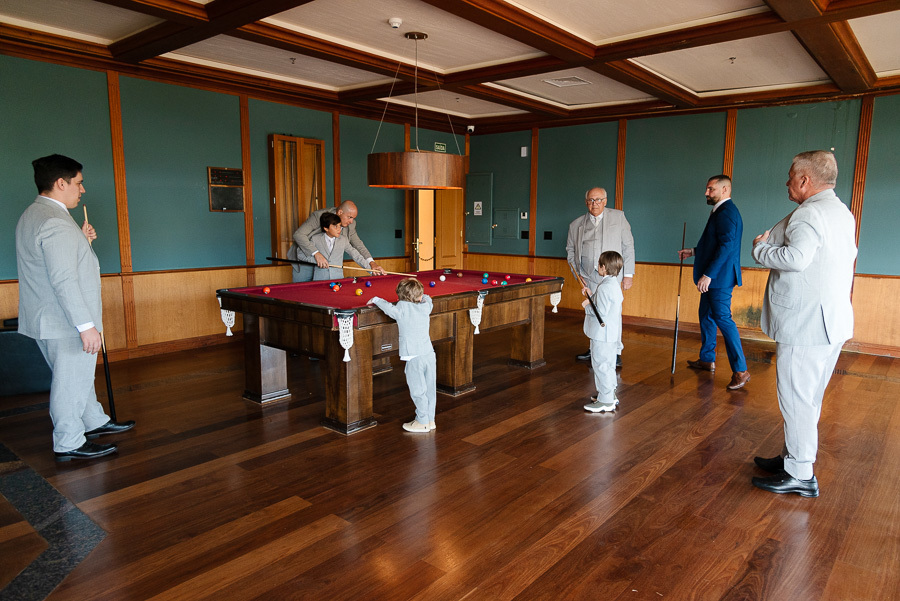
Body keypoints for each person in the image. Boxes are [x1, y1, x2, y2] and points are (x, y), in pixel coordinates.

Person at [750, 150, 856, 498]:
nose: (787, 181)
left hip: (805, 322)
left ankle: (799, 473)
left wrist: (760, 250)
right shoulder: (841, 212)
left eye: (791, 175)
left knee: (796, 398)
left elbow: (796, 259)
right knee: (808, 397)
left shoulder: (808, 214)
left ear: (805, 180)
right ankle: (792, 458)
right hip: (831, 322)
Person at [16, 154, 134, 462]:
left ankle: (93, 420)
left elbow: (50, 263)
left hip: (46, 317)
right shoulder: (56, 221)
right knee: (69, 382)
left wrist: (81, 241)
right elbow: (64, 280)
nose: (82, 190)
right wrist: (85, 325)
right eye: (79, 183)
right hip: (65, 320)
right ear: (60, 183)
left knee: (76, 377)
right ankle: (68, 441)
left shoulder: (34, 214)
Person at [678, 175, 750, 390]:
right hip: (714, 277)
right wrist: (694, 251)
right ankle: (707, 359)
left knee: (723, 320)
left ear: (725, 189)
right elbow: (715, 245)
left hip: (719, 279)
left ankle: (741, 370)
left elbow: (727, 247)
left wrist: (708, 275)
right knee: (706, 317)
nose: (706, 193)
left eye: (711, 189)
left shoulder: (727, 212)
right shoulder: (720, 210)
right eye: (707, 189)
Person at [566, 187, 634, 366]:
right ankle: (594, 347)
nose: (594, 204)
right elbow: (571, 252)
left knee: (613, 313)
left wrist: (628, 275)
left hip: (612, 276)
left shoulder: (618, 217)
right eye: (590, 200)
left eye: (598, 200)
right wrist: (578, 276)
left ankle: (616, 351)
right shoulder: (576, 224)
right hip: (588, 276)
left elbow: (628, 247)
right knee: (592, 313)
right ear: (586, 202)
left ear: (605, 201)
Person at [368, 278, 436, 433]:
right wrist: (424, 296)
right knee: (430, 388)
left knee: (418, 390)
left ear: (399, 296)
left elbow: (387, 308)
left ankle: (422, 421)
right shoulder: (425, 307)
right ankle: (430, 419)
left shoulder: (401, 309)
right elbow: (429, 300)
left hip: (414, 356)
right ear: (419, 297)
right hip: (429, 354)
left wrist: (376, 299)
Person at [288, 200, 386, 282]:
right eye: (350, 217)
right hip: (306, 257)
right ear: (340, 212)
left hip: (333, 274)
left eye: (353, 218)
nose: (351, 221)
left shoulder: (349, 227)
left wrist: (371, 264)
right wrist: (316, 254)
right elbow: (299, 235)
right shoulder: (319, 216)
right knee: (304, 294)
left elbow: (357, 245)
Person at [582, 251, 625, 413]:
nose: (597, 267)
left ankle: (606, 401)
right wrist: (591, 296)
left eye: (599, 265)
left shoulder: (606, 287)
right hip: (610, 334)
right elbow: (604, 305)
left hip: (603, 335)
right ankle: (608, 395)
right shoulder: (613, 284)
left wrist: (587, 304)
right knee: (608, 365)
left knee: (601, 365)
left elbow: (600, 312)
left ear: (604, 267)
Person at [294, 212, 371, 281]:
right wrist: (316, 260)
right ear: (326, 228)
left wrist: (371, 270)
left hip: (338, 279)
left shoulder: (343, 240)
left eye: (339, 226)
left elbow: (357, 256)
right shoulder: (315, 239)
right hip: (320, 280)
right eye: (335, 226)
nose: (339, 229)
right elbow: (300, 254)